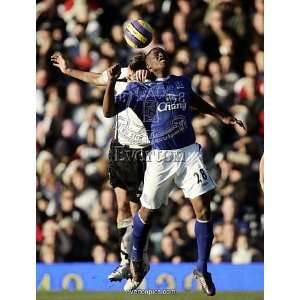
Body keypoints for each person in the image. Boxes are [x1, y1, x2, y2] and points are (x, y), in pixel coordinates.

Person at [103, 47, 245, 296]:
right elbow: (108, 111)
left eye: (163, 52)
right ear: (147, 64)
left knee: (203, 208)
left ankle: (201, 268)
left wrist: (221, 115)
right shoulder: (138, 89)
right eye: (155, 54)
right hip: (160, 157)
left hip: (189, 153)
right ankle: (136, 258)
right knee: (146, 212)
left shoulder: (181, 82)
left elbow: (195, 101)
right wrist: (111, 82)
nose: (161, 55)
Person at [51, 52, 151, 281]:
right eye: (132, 72)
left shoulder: (153, 83)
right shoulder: (123, 75)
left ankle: (140, 259)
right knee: (121, 208)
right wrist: (68, 71)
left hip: (141, 152)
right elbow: (95, 78)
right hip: (119, 149)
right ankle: (126, 261)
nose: (134, 76)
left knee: (137, 212)